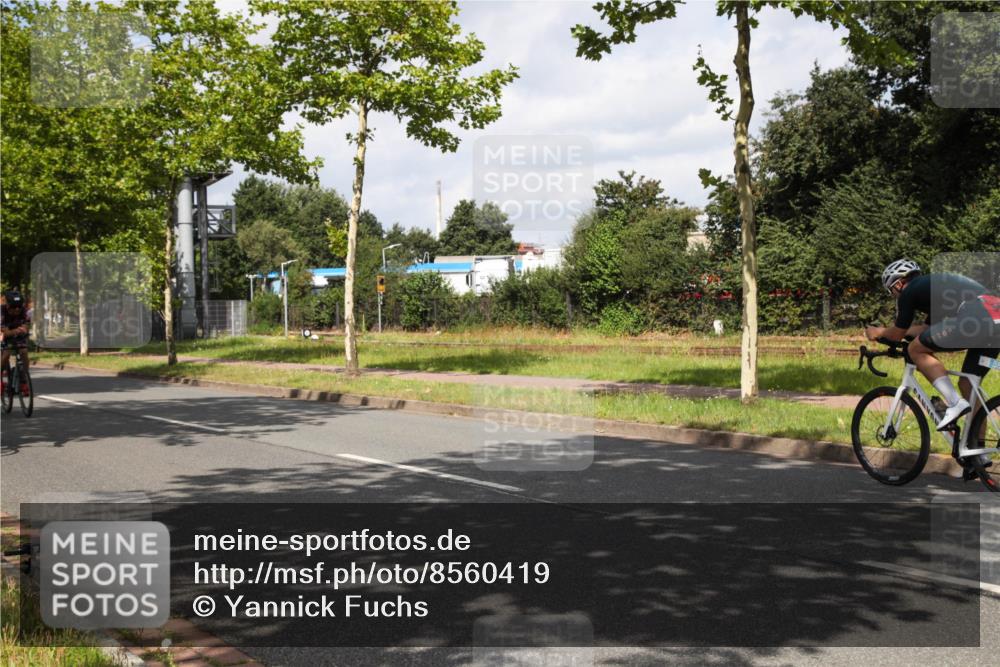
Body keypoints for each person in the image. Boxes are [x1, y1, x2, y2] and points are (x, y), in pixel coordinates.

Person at [865, 260, 1000, 469]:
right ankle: (978, 451)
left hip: (975, 315)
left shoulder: (909, 293)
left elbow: (898, 333)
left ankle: (954, 403)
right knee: (968, 384)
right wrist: (902, 333)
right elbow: (925, 330)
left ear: (899, 283)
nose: (895, 296)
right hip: (993, 319)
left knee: (915, 349)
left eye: (892, 291)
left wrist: (878, 332)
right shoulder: (935, 290)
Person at [1, 290, 32, 391]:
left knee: (24, 352)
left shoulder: (23, 311)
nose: (17, 310)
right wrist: (17, 330)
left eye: (19, 307)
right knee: (7, 354)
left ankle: (24, 379)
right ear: (8, 306)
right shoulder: (2, 312)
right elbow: (5, 332)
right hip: (5, 335)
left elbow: (26, 325)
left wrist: (24, 329)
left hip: (18, 334)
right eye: (14, 307)